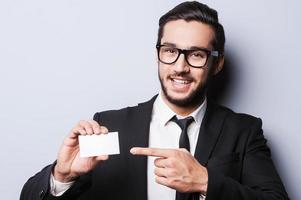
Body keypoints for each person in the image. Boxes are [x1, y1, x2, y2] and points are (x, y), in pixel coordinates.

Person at [20, 1, 289, 200]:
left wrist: (205, 181)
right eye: (170, 51)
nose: (180, 67)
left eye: (196, 54)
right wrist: (63, 177)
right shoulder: (109, 124)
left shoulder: (243, 130)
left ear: (217, 64)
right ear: (157, 55)